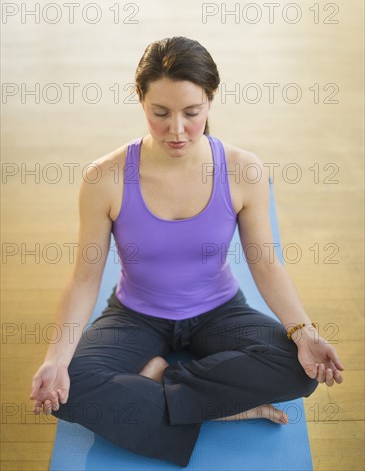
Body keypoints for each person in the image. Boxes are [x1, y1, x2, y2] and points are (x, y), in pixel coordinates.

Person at [30, 36, 344, 468]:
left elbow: (266, 264)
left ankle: (163, 383)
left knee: (297, 368)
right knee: (71, 385)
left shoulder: (242, 170)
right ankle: (222, 406)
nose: (176, 129)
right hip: (136, 314)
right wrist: (55, 359)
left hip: (218, 311)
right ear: (141, 101)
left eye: (191, 113)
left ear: (210, 101)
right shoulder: (104, 177)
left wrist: (305, 333)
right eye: (160, 113)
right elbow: (84, 279)